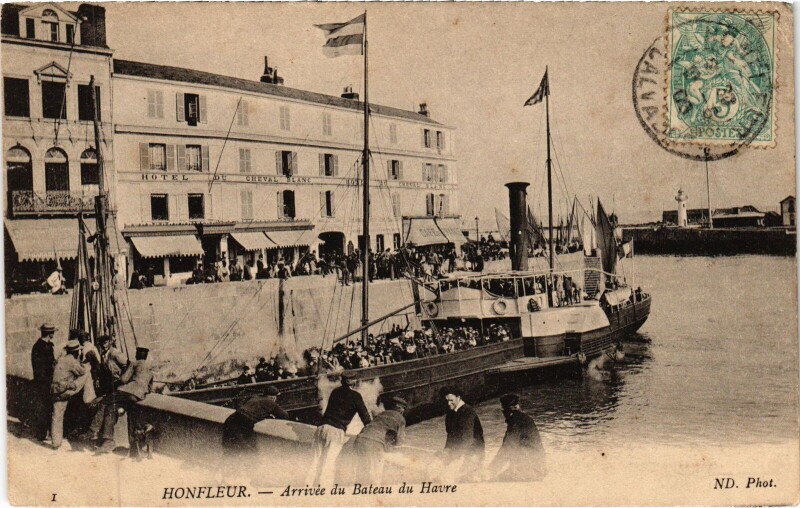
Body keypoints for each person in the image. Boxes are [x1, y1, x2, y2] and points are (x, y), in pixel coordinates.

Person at [307, 371, 371, 485]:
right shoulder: (356, 396)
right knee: (328, 464)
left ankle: (306, 487)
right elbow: (365, 418)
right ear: (350, 381)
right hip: (335, 432)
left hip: (322, 427)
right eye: (354, 379)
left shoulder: (335, 392)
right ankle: (323, 494)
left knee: (314, 461)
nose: (356, 381)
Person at [96, 347, 153, 455]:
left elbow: (123, 379)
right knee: (112, 408)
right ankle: (110, 441)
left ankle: (97, 432)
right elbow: (150, 389)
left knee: (105, 402)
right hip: (138, 396)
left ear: (137, 355)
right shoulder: (150, 370)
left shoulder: (134, 363)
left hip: (126, 392)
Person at [488, 394, 546, 481]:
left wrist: (491, 470)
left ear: (506, 411)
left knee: (491, 481)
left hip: (530, 470)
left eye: (503, 410)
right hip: (537, 467)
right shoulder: (524, 418)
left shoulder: (515, 422)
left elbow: (508, 447)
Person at [221, 385, 290, 456]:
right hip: (244, 423)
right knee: (249, 451)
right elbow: (285, 416)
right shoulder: (270, 402)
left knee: (229, 449)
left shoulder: (255, 397)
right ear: (273, 397)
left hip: (231, 419)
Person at [352, 396, 407, 483]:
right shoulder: (400, 418)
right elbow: (399, 441)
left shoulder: (380, 414)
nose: (403, 410)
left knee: (361, 472)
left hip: (359, 440)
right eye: (403, 408)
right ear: (399, 407)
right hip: (374, 444)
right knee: (375, 475)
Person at [50, 340, 86, 450]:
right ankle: (87, 397)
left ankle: (56, 442)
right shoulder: (72, 361)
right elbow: (82, 372)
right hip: (64, 392)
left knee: (57, 415)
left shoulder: (61, 359)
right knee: (85, 376)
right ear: (76, 352)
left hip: (54, 390)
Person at [442, 387, 484, 481]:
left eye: (451, 400)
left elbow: (467, 439)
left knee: (454, 477)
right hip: (458, 451)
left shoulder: (468, 412)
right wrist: (446, 450)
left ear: (458, 397)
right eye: (447, 401)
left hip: (472, 452)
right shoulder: (450, 414)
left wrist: (456, 457)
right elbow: (450, 436)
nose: (448, 403)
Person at [31, 323, 57, 442]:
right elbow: (46, 367)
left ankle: (42, 433)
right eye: (53, 332)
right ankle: (42, 434)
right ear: (50, 333)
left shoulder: (37, 345)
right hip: (45, 382)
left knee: (42, 407)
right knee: (45, 407)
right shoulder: (45, 347)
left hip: (39, 381)